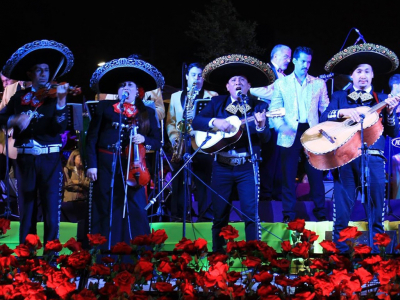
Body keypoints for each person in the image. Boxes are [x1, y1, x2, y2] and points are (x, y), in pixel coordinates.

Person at [320, 43, 400, 253]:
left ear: (372, 76)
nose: (362, 75)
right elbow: (323, 118)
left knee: (376, 215)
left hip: (373, 159)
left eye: (367, 71)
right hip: (345, 159)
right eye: (358, 71)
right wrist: (343, 112)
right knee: (342, 213)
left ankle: (378, 261)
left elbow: (392, 132)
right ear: (352, 76)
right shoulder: (339, 97)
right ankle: (341, 260)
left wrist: (390, 114)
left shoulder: (382, 99)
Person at [191, 54, 275, 252]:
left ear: (248, 86)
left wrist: (262, 126)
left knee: (250, 215)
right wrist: (215, 122)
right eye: (233, 80)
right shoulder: (216, 103)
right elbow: (196, 122)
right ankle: (218, 257)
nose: (238, 83)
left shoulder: (259, 106)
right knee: (219, 215)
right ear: (227, 87)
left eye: (242, 81)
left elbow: (266, 139)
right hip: (221, 166)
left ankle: (252, 258)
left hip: (247, 167)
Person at [0, 39, 74, 248]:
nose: (44, 74)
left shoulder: (55, 96)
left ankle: (51, 254)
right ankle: (27, 253)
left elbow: (60, 128)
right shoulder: (19, 97)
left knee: (51, 208)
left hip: (49, 158)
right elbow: (1, 118)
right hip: (25, 159)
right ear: (29, 75)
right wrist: (14, 120)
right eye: (39, 70)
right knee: (27, 208)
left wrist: (60, 103)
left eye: (47, 70)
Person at [86, 57, 163, 252]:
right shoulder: (104, 107)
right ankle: (103, 253)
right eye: (122, 86)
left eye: (130, 85)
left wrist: (144, 140)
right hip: (105, 163)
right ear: (117, 91)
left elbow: (157, 140)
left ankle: (137, 254)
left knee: (135, 208)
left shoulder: (147, 112)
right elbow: (92, 137)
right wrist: (91, 164)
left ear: (137, 90)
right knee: (106, 206)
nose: (125, 88)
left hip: (133, 167)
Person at [269, 46, 329, 223]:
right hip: (290, 131)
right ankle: (289, 215)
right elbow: (274, 109)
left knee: (316, 174)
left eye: (309, 62)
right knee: (288, 175)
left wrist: (326, 130)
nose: (306, 65)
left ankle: (321, 213)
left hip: (312, 131)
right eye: (302, 61)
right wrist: (281, 127)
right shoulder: (281, 83)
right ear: (294, 61)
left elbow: (325, 108)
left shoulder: (318, 83)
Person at [166, 62, 218, 222]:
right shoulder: (175, 97)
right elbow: (171, 122)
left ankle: (206, 217)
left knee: (204, 183)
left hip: (203, 145)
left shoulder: (212, 96)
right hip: (182, 144)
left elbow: (216, 121)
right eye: (194, 75)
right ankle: (180, 216)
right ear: (187, 77)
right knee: (179, 183)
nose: (197, 78)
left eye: (200, 75)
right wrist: (175, 139)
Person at [250, 44, 292, 201]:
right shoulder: (265, 71)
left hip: (282, 121)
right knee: (269, 157)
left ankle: (277, 192)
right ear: (275, 56)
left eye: (289, 57)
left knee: (281, 158)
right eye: (286, 56)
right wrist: (278, 93)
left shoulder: (284, 75)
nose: (289, 60)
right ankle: (266, 194)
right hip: (267, 120)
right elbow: (253, 89)